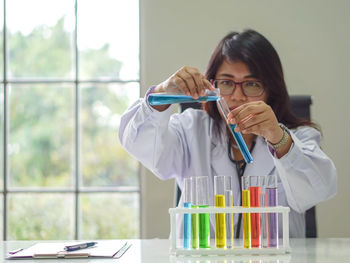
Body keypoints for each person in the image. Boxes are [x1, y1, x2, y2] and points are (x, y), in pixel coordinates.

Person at [118, 29, 337, 238]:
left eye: (251, 84)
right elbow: (136, 140)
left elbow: (318, 191)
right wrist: (161, 93)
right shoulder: (191, 130)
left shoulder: (298, 137)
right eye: (226, 83)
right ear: (211, 85)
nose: (238, 96)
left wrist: (278, 139)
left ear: (271, 89)